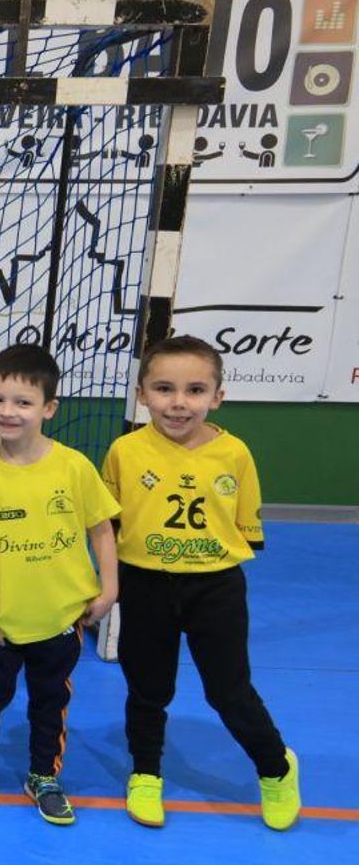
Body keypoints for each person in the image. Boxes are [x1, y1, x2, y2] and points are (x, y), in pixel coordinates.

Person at [101, 335, 300, 831]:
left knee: (228, 690)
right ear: (143, 393)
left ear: (217, 396)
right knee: (148, 689)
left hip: (215, 587)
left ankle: (276, 768)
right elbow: (111, 524)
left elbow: (245, 529)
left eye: (195, 390)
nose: (179, 402)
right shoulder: (125, 451)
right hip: (145, 583)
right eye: (164, 389)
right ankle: (146, 773)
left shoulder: (234, 453)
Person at [0, 344, 119, 825]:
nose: (7, 411)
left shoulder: (74, 467)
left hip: (62, 617)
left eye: (22, 402)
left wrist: (109, 589)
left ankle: (43, 774)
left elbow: (101, 528)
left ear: (48, 408)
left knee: (51, 701)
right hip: (1, 621)